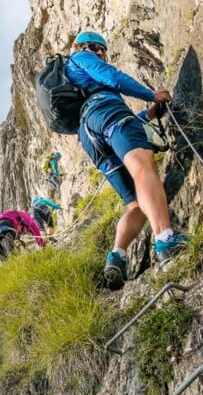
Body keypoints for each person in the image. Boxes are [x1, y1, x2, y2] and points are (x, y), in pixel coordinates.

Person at [66, 30, 188, 289]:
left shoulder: (75, 81)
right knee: (143, 170)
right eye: (94, 47)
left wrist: (148, 114)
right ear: (81, 46)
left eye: (102, 49)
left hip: (90, 135)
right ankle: (166, 240)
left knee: (134, 205)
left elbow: (122, 127)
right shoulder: (79, 57)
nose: (100, 52)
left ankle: (117, 256)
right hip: (108, 113)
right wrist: (151, 95)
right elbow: (112, 78)